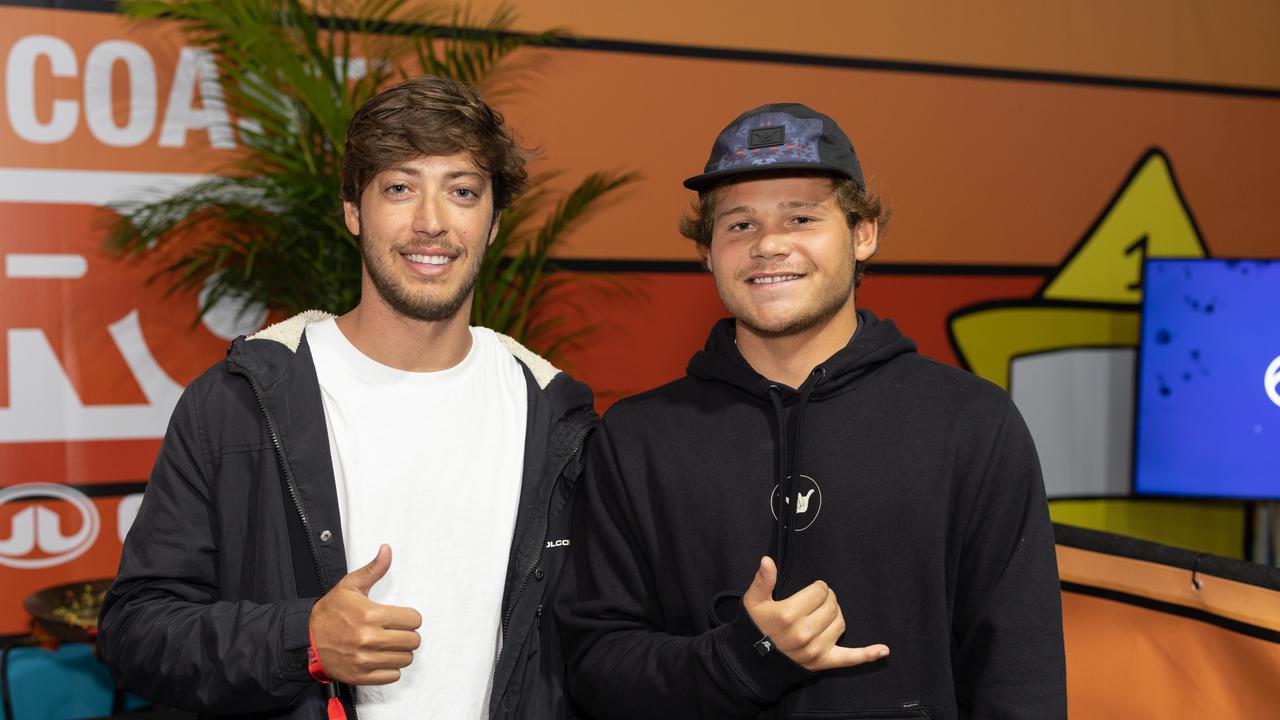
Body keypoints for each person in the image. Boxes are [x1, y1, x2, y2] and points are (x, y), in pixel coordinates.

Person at [98, 75, 595, 720]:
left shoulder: (556, 417)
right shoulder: (237, 405)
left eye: (463, 192)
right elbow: (136, 629)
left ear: (494, 221)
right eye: (399, 188)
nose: (431, 223)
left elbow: (595, 646)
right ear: (353, 211)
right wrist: (299, 639)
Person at [558, 103, 1066, 719]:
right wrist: (744, 657)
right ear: (708, 252)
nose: (769, 245)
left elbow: (1020, 677)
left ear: (863, 233)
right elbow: (594, 669)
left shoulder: (971, 423)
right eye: (739, 225)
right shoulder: (636, 439)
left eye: (800, 217)